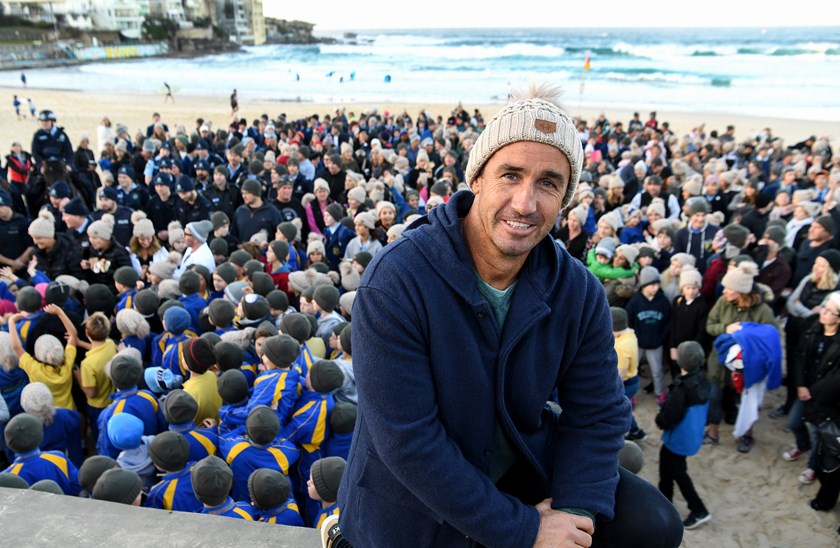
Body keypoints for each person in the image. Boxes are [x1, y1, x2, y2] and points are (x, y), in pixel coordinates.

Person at [335, 84, 682, 547]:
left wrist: (572, 517)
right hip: (411, 498)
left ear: (565, 197)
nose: (525, 203)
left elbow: (597, 414)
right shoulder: (397, 280)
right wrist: (524, 531)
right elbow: (409, 442)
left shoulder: (576, 290)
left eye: (548, 183)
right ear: (476, 177)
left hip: (516, 463)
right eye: (511, 176)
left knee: (656, 525)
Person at [655, 341, 712, 530]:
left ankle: (698, 509)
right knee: (670, 470)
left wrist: (659, 420)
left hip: (677, 440)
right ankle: (665, 502)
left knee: (675, 471)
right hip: (692, 436)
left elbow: (669, 416)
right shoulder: (703, 380)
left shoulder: (681, 389)